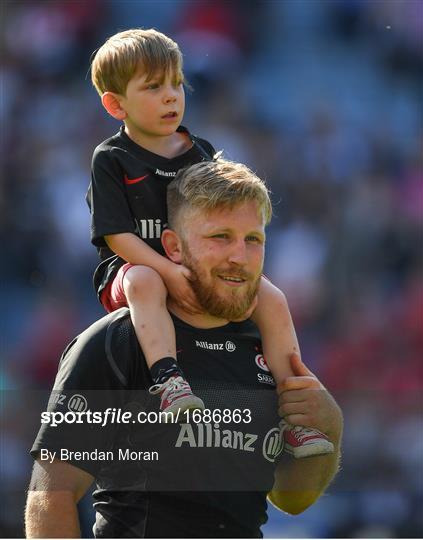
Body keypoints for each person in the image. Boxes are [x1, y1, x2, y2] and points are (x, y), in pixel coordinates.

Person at [26, 160, 343, 538]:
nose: (238, 256)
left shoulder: (268, 347)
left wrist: (331, 429)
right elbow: (50, 497)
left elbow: (292, 499)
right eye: (220, 237)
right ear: (174, 247)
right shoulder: (118, 342)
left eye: (252, 239)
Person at [87, 27, 332, 457]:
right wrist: (169, 271)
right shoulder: (111, 159)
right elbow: (116, 235)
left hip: (194, 268)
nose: (171, 96)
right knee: (146, 281)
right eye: (153, 87)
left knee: (271, 297)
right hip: (133, 270)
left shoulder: (200, 152)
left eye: (177, 83)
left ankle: (296, 414)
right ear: (115, 104)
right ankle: (168, 380)